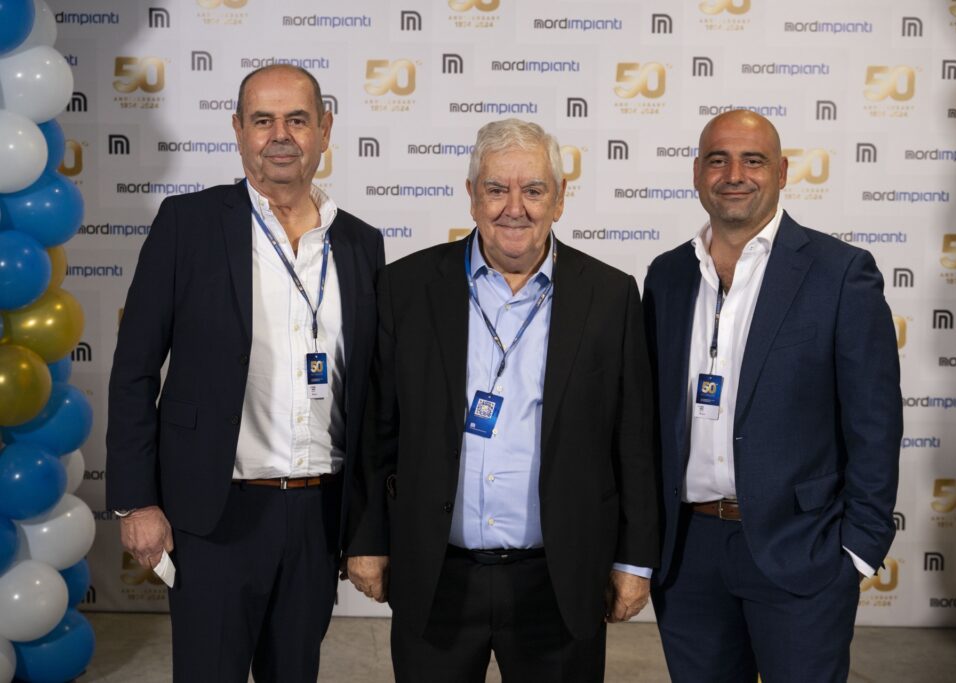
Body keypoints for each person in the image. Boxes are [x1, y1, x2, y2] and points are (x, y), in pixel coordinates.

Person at [345, 118, 658, 682]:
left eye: (533, 190)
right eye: (496, 189)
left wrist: (634, 561)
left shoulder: (611, 296)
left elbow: (633, 440)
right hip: (436, 578)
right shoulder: (405, 288)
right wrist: (366, 539)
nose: (515, 208)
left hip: (558, 582)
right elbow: (376, 430)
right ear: (472, 196)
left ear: (559, 199)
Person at [105, 64, 384, 682]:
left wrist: (368, 526)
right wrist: (135, 502)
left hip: (318, 516)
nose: (280, 135)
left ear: (325, 130)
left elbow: (370, 395)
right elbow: (133, 370)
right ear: (238, 130)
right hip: (214, 518)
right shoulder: (187, 224)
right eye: (263, 120)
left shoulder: (361, 243)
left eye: (297, 120)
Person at [643, 109, 902, 682]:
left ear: (782, 172)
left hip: (802, 550)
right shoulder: (666, 275)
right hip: (687, 555)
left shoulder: (840, 273)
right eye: (718, 160)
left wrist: (857, 550)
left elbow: (875, 422)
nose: (734, 174)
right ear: (697, 173)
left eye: (753, 160)